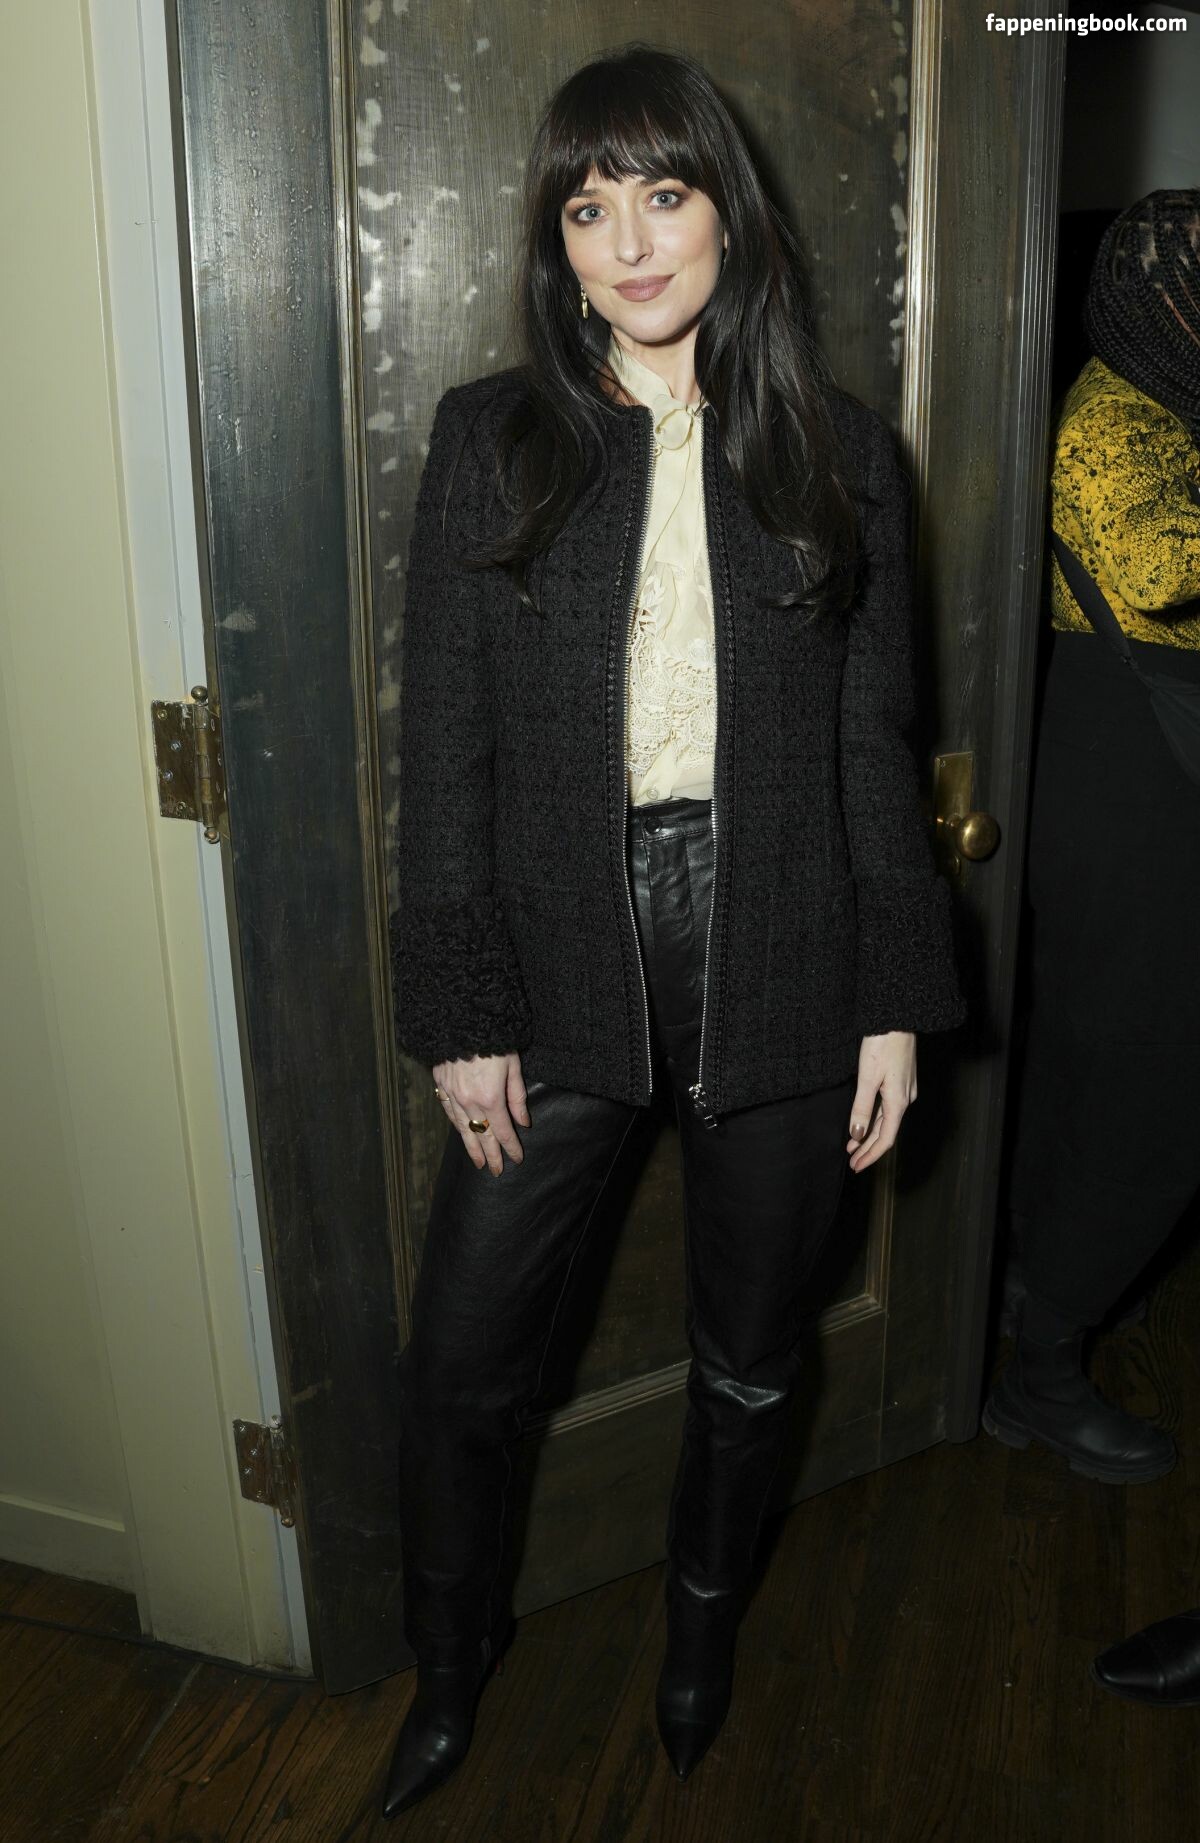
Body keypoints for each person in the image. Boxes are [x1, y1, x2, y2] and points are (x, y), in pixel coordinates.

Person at [382, 43, 966, 1818]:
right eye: (587, 209)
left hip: (782, 943)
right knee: (462, 1366)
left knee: (750, 1363)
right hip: (558, 947)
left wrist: (893, 996)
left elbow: (872, 748)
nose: (629, 244)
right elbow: (446, 749)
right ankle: (449, 1670)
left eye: (662, 194)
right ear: (554, 241)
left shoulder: (838, 454)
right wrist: (463, 1005)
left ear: (729, 213)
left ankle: (698, 1647)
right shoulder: (492, 438)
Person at [985, 190, 1200, 1485]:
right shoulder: (1112, 414)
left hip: (1142, 767)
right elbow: (1164, 568)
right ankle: (1044, 1371)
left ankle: (1036, 1313)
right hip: (1124, 778)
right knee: (1150, 1084)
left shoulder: (1170, 405)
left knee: (1105, 1065)